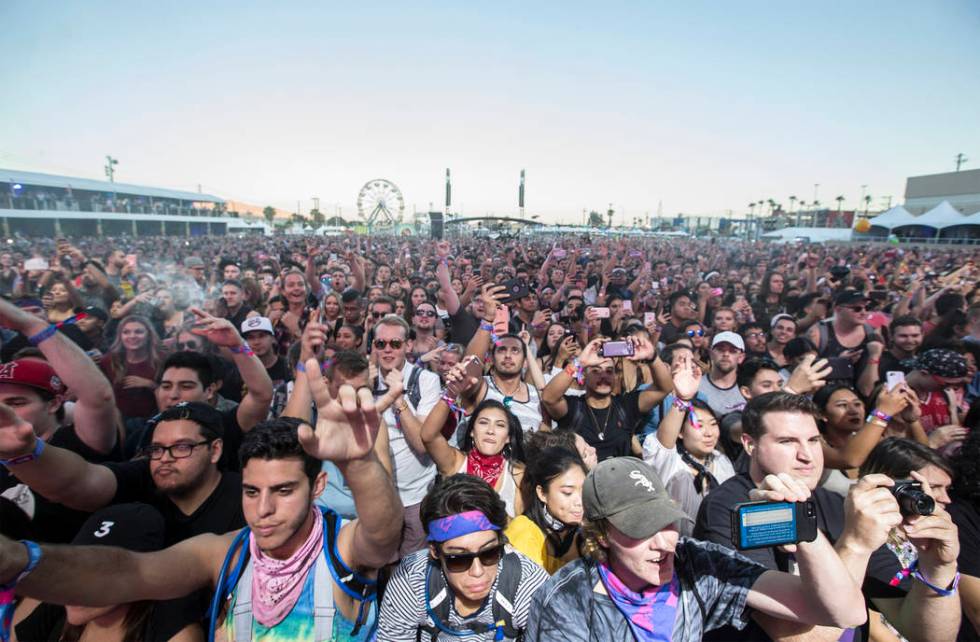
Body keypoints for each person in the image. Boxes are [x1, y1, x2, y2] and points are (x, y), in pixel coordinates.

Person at [0, 380, 403, 642]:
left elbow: (384, 537)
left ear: (316, 487)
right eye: (251, 490)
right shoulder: (222, 554)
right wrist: (19, 560)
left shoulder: (340, 546)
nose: (263, 509)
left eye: (283, 491)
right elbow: (128, 573)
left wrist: (360, 463)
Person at [695, 392, 962, 642]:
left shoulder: (836, 504)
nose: (806, 455)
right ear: (750, 444)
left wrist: (938, 568)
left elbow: (927, 634)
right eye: (787, 441)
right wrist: (855, 546)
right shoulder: (732, 506)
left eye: (813, 440)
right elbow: (793, 637)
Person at [527, 456, 868, 641]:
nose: (663, 544)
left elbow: (844, 613)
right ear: (601, 535)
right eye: (639, 530)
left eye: (666, 522)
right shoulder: (566, 600)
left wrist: (802, 531)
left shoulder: (696, 563)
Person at [377, 474, 549, 641]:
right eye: (458, 559)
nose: (477, 571)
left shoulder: (528, 585)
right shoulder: (412, 581)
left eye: (489, 553)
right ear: (435, 552)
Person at [12, 503, 202, 642]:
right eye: (72, 567)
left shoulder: (174, 631)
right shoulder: (54, 609)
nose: (75, 586)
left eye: (96, 573)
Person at [371, 314, 442, 556]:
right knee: (379, 567)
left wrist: (397, 397)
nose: (387, 350)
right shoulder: (364, 383)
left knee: (413, 567)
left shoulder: (426, 380)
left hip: (416, 496)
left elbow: (422, 444)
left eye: (395, 344)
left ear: (408, 346)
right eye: (381, 344)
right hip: (378, 495)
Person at [643, 350, 735, 530]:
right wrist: (683, 400)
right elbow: (663, 444)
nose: (709, 433)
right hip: (678, 546)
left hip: (719, 542)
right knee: (683, 480)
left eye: (712, 424)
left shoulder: (720, 460)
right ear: (681, 432)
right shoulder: (670, 460)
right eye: (699, 425)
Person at [541, 336, 669, 462]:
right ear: (584, 376)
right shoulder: (574, 407)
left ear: (615, 376)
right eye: (596, 371)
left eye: (609, 371)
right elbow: (548, 398)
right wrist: (579, 362)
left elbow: (663, 389)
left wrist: (652, 357)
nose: (603, 376)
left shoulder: (626, 406)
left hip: (619, 479)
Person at [417, 386, 527, 517]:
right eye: (483, 423)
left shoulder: (518, 474)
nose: (490, 430)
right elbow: (428, 435)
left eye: (500, 425)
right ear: (472, 432)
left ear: (508, 437)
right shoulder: (455, 462)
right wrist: (451, 393)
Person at [506, 446, 588, 574]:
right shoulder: (524, 532)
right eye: (567, 492)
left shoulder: (586, 530)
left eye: (584, 490)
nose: (579, 501)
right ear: (542, 494)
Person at [100, 314, 164, 422]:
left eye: (138, 332)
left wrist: (151, 385)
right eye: (126, 332)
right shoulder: (109, 361)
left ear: (148, 335)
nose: (132, 336)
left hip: (152, 420)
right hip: (117, 420)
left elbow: (172, 394)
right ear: (120, 336)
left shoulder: (161, 359)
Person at [697, 331, 747, 419]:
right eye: (720, 349)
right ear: (711, 354)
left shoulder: (748, 389)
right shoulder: (695, 386)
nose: (726, 354)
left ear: (741, 357)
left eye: (732, 351)